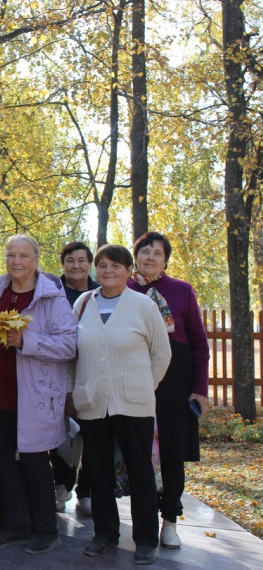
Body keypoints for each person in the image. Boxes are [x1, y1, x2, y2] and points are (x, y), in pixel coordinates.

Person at [68, 244, 171, 565]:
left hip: (134, 404)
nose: (107, 271)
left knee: (140, 471)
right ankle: (105, 533)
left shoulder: (143, 305)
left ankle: (144, 539)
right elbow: (72, 353)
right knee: (97, 472)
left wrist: (142, 385)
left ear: (129, 270)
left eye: (115, 266)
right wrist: (74, 390)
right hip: (93, 403)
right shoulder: (84, 304)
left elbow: (161, 354)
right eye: (102, 266)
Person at [0, 234, 77, 555]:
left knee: (35, 463)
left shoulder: (52, 298)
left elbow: (69, 345)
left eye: (23, 256)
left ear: (36, 259)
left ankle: (46, 529)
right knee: (4, 462)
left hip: (33, 395)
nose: (16, 262)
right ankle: (15, 525)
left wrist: (26, 340)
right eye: (11, 256)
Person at [128, 231, 209, 549]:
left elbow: (200, 345)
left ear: (165, 260)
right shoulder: (124, 288)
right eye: (144, 251)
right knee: (139, 453)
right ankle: (143, 521)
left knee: (173, 453)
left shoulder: (181, 291)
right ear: (135, 256)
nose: (150, 257)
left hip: (176, 382)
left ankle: (170, 522)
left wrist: (199, 389)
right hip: (135, 379)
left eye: (157, 253)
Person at [53, 241, 99, 514]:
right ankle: (61, 486)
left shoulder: (101, 293)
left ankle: (87, 491)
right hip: (59, 374)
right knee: (62, 434)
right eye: (70, 260)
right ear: (63, 264)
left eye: (82, 260)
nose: (76, 265)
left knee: (94, 434)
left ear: (89, 264)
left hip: (93, 374)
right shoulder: (53, 293)